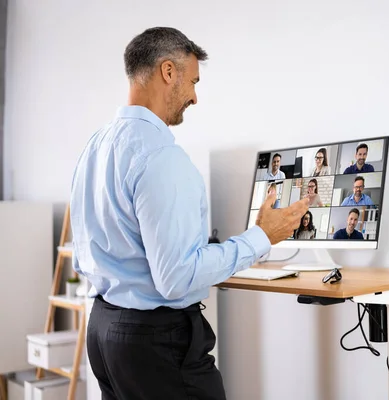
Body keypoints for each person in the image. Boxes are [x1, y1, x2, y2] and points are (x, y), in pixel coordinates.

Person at [69, 27, 309, 400]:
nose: (195, 97)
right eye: (193, 81)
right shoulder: (161, 156)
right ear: (168, 71)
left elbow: (88, 252)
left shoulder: (95, 146)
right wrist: (261, 236)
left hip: (104, 330)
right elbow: (176, 278)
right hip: (154, 342)